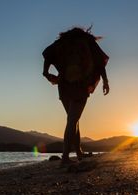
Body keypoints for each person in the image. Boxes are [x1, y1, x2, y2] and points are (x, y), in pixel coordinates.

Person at [42, 27, 109, 165]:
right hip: (80, 85)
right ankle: (65, 157)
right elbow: (100, 62)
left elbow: (46, 54)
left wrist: (47, 74)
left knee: (73, 119)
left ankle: (78, 152)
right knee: (73, 120)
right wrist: (105, 81)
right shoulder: (86, 41)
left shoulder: (62, 42)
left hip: (63, 86)